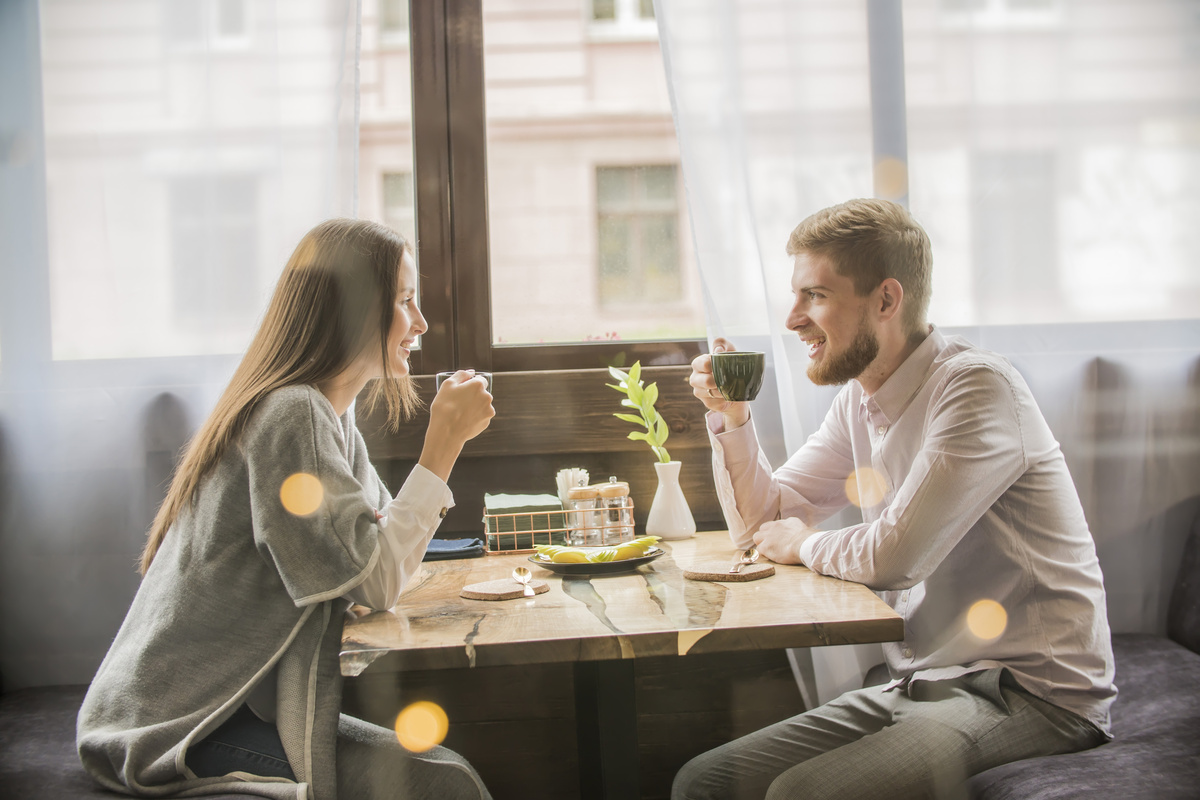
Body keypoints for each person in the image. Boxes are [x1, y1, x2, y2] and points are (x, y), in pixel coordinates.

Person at [677, 199, 1116, 800]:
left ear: (886, 300)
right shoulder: (859, 401)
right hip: (923, 683)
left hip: (1028, 693)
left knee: (799, 793)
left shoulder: (976, 387)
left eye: (815, 296)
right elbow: (764, 526)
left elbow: (897, 556)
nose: (792, 319)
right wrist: (733, 418)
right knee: (706, 782)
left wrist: (806, 543)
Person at [77, 218, 495, 799]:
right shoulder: (292, 414)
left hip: (235, 705)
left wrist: (373, 556)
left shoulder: (328, 417)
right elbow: (377, 579)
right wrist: (443, 443)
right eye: (404, 301)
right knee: (444, 786)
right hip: (176, 726)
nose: (420, 323)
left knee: (449, 777)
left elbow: (376, 557)